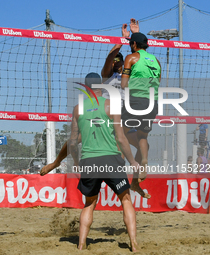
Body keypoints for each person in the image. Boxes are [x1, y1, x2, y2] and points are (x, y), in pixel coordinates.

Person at [40, 19, 140, 176]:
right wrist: (121, 41)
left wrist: (136, 35)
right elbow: (109, 59)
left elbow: (138, 58)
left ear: (123, 62)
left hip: (124, 115)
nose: (115, 62)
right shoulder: (107, 75)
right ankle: (56, 162)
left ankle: (134, 180)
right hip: (106, 113)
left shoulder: (130, 75)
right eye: (114, 60)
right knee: (76, 139)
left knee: (141, 145)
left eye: (118, 60)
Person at [67, 72, 140, 251]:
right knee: (126, 199)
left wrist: (76, 162)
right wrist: (132, 161)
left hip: (89, 160)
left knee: (89, 203)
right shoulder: (110, 105)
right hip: (111, 158)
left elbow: (72, 141)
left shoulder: (78, 109)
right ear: (101, 86)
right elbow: (121, 138)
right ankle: (134, 243)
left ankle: (81, 245)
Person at [120, 31, 161, 198]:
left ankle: (124, 168)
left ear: (134, 45)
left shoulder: (131, 58)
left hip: (135, 100)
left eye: (131, 43)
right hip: (153, 103)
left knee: (119, 132)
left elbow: (123, 84)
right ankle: (142, 166)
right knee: (142, 137)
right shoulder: (156, 61)